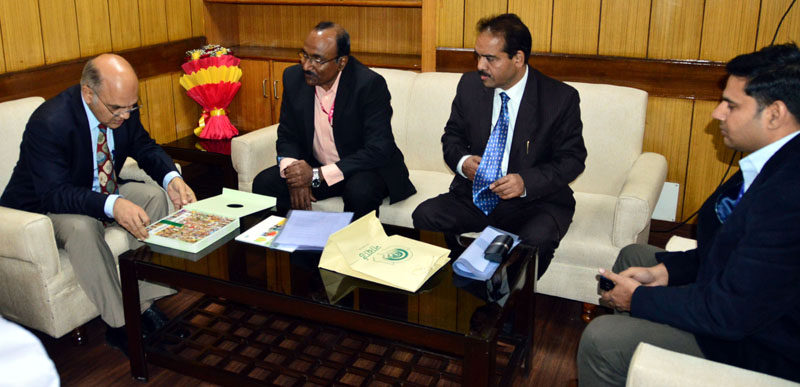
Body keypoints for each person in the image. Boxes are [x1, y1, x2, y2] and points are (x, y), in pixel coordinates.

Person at [577, 43, 800, 386]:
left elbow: (730, 312)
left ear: (774, 114)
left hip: (756, 344)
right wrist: (664, 272)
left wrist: (640, 299)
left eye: (732, 105)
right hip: (735, 300)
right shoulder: (770, 160)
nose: (717, 113)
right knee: (634, 256)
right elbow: (728, 249)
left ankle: (622, 352)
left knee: (601, 340)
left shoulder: (789, 196)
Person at [0, 54, 196, 355]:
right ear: (88, 93)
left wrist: (170, 178)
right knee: (83, 226)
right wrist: (112, 204)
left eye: (132, 107)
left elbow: (143, 146)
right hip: (41, 208)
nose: (126, 116)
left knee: (154, 197)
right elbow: (54, 193)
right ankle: (121, 326)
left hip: (97, 190)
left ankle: (144, 306)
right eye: (118, 109)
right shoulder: (49, 122)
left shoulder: (122, 107)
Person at [412, 14, 586, 276]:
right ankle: (464, 283)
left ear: (517, 58)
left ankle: (505, 306)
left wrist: (525, 182)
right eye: (477, 56)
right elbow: (452, 137)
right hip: (476, 194)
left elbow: (572, 159)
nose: (480, 65)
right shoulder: (470, 86)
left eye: (490, 59)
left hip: (535, 202)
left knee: (538, 239)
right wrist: (463, 162)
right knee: (426, 216)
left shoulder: (559, 98)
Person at [252, 22, 416, 219]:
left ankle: (353, 249)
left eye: (317, 60)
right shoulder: (293, 78)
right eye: (304, 55)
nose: (306, 66)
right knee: (264, 183)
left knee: (360, 192)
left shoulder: (369, 85)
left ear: (342, 62)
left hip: (363, 169)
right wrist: (294, 174)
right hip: (317, 165)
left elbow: (379, 148)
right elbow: (287, 135)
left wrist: (315, 175)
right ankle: (299, 244)